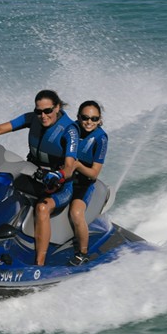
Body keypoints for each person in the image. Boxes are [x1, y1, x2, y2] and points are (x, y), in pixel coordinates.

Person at [0, 90, 79, 266]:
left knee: (42, 209)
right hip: (33, 172)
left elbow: (69, 167)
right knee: (0, 183)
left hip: (60, 184)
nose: (43, 116)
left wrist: (57, 175)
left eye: (48, 111)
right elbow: (0, 128)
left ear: (57, 107)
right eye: (39, 111)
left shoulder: (70, 130)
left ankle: (39, 263)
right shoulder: (32, 118)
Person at [68, 100, 108, 266]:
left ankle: (82, 253)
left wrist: (77, 165)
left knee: (76, 213)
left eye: (94, 118)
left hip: (84, 183)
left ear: (99, 120)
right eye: (85, 118)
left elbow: (94, 172)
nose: (89, 122)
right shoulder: (71, 130)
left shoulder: (101, 138)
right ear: (78, 117)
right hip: (65, 178)